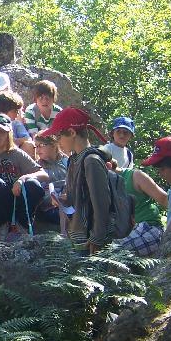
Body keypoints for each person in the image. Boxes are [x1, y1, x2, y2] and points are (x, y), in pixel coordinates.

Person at [44, 107, 112, 255]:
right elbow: (79, 197)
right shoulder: (73, 160)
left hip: (91, 241)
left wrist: (97, 238)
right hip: (78, 237)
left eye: (59, 135)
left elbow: (101, 203)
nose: (57, 141)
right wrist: (62, 199)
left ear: (72, 132)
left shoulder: (91, 161)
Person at [0, 114, 47, 232]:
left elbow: (43, 174)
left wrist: (22, 179)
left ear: (8, 134)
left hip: (18, 198)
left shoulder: (16, 153)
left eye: (1, 131)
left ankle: (23, 224)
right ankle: (3, 225)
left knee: (33, 184)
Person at [115, 166, 168, 256]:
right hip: (128, 232)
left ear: (107, 165)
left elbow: (165, 200)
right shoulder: (104, 186)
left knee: (110, 252)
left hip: (149, 228)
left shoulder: (135, 176)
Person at [30, 129, 69, 227]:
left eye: (41, 146)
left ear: (53, 144)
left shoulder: (66, 161)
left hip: (68, 201)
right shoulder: (37, 167)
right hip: (48, 207)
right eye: (36, 146)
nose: (37, 150)